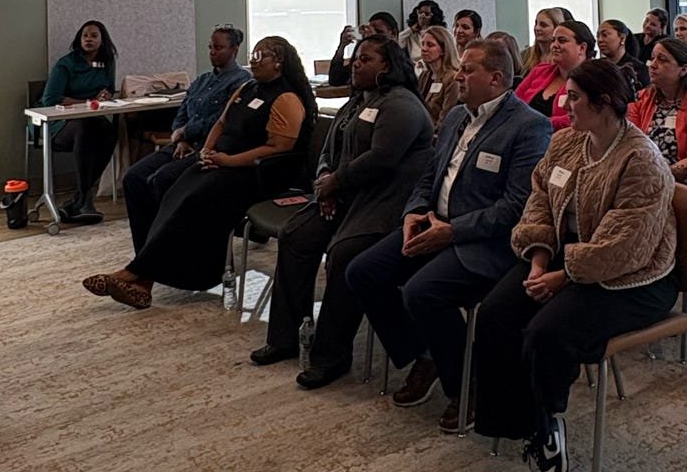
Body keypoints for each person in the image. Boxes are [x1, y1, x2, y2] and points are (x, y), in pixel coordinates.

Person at [473, 59, 679, 472]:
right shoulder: (567, 142)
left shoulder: (641, 159)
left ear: (605, 104)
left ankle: (548, 425)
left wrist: (561, 276)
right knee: (495, 314)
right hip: (566, 258)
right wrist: (536, 259)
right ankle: (515, 421)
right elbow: (540, 202)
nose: (565, 104)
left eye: (575, 98)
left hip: (635, 277)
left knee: (547, 332)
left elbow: (627, 245)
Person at [344, 38, 553, 418]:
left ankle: (468, 385)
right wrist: (415, 211)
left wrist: (452, 230)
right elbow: (430, 173)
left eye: (468, 70)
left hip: (482, 241)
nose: (459, 75)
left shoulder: (529, 127)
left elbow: (515, 208)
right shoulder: (457, 114)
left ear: (495, 78)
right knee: (361, 272)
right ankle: (425, 354)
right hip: (433, 224)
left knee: (423, 293)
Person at [82, 37, 316, 310]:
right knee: (171, 192)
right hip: (220, 160)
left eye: (260, 56)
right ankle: (143, 279)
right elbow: (221, 123)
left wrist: (228, 160)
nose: (253, 60)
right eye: (253, 54)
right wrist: (207, 151)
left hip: (256, 172)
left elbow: (277, 148)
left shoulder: (286, 98)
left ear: (279, 62)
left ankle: (136, 273)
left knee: (192, 200)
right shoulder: (247, 87)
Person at [250, 37, 432, 370]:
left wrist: (336, 181)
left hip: (384, 204)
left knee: (343, 254)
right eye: (355, 58)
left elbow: (382, 159)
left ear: (387, 65)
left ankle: (331, 356)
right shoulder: (358, 101)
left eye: (365, 59)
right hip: (343, 196)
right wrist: (325, 182)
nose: (355, 64)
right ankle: (284, 338)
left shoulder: (402, 104)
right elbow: (327, 152)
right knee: (296, 235)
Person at [120, 26, 251, 251]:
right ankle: (145, 249)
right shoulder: (201, 80)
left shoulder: (242, 82)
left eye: (218, 48)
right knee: (133, 177)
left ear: (234, 49)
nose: (212, 52)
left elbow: (222, 121)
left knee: (160, 180)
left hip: (209, 148)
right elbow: (182, 112)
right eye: (210, 47)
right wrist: (180, 137)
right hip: (183, 145)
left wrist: (186, 133)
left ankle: (170, 248)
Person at [39, 19, 120, 224]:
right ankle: (84, 199)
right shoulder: (66, 64)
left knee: (108, 130)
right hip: (57, 124)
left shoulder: (107, 62)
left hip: (89, 120)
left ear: (102, 41)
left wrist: (105, 95)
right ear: (79, 39)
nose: (89, 40)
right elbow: (51, 99)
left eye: (94, 36)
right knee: (85, 130)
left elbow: (109, 89)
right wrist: (87, 102)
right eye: (85, 36)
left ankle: (80, 199)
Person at [628, 37, 687, 183]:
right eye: (652, 58)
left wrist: (658, 176)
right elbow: (629, 141)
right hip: (642, 176)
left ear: (684, 70)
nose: (652, 65)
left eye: (662, 59)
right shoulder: (643, 98)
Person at [516, 19, 596, 132]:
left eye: (562, 41)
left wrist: (537, 124)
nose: (554, 45)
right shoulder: (539, 71)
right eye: (553, 40)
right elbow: (514, 103)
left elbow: (585, 116)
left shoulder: (594, 78)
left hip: (567, 142)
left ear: (582, 48)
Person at [326, 12, 400, 88]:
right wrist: (342, 46)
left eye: (379, 32)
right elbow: (335, 79)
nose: (375, 37)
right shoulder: (362, 61)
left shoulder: (400, 60)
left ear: (393, 34)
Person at [415, 23, 461, 128]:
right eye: (423, 44)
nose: (424, 49)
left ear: (443, 50)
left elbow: (446, 117)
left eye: (430, 45)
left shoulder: (452, 78)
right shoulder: (424, 76)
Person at [596, 18, 648, 94]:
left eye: (605, 35)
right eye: (598, 36)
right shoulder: (596, 67)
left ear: (622, 38)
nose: (600, 40)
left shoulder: (638, 69)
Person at [521, 6, 572, 74]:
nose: (537, 28)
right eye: (536, 24)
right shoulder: (525, 55)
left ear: (556, 29)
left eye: (543, 25)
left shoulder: (562, 56)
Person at [403, 0, 447, 71]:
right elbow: (396, 42)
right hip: (416, 71)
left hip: (434, 69)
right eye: (420, 13)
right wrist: (410, 30)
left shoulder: (440, 34)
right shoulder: (411, 35)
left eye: (427, 14)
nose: (422, 16)